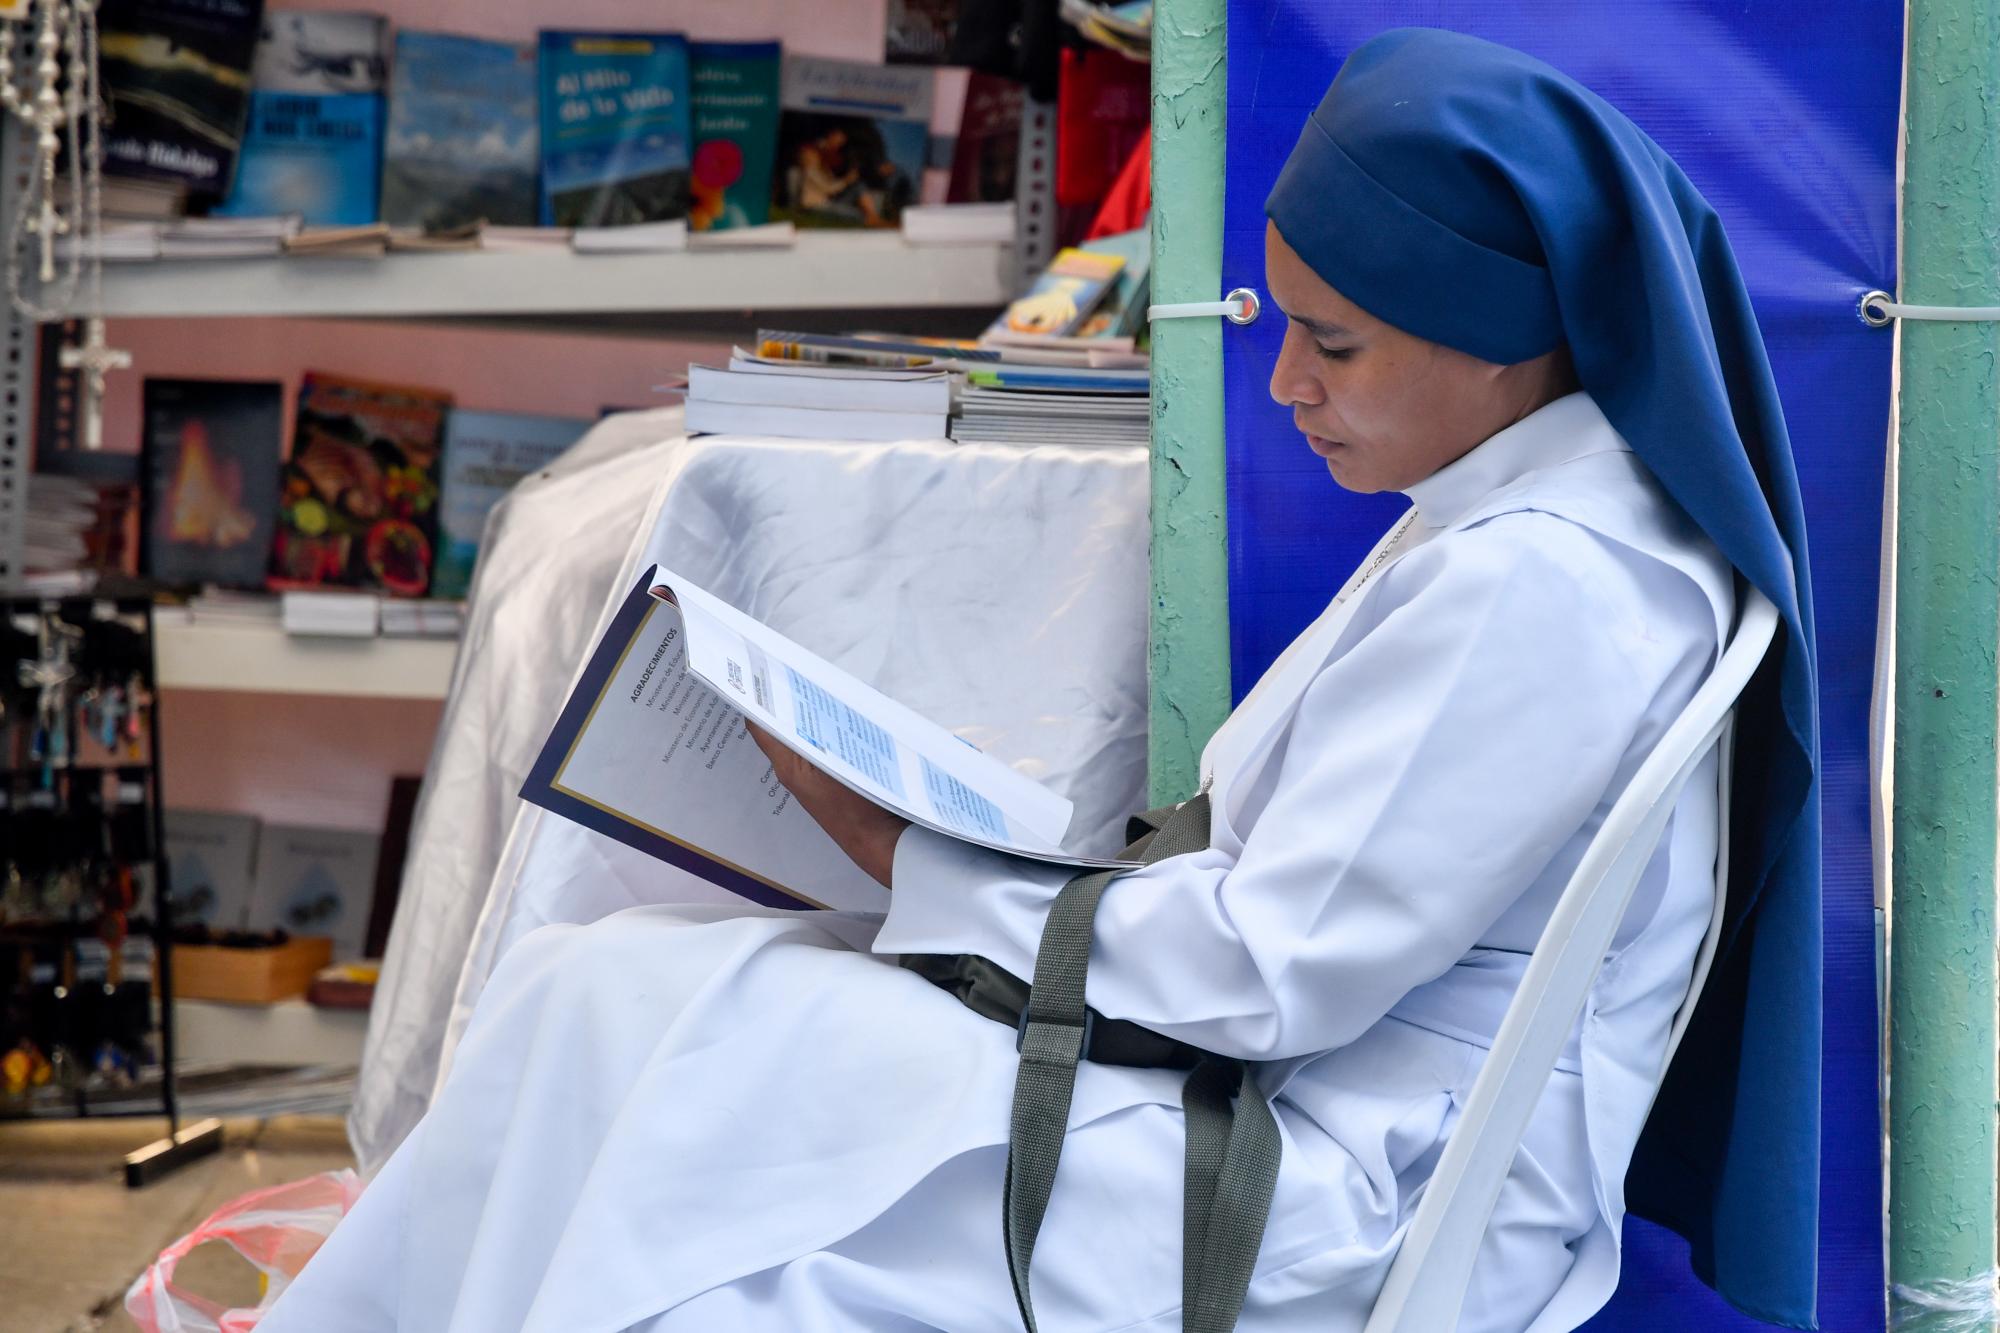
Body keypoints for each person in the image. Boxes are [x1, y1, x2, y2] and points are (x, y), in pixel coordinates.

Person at [261, 28, 1819, 1333]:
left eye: (1332, 347)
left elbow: (1271, 978)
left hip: (1328, 1189)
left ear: (1502, 337)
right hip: (1273, 1102)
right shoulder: (1531, 524)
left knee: (666, 1080)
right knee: (595, 995)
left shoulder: (1543, 583)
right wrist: (946, 864)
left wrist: (908, 855)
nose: (1282, 384)